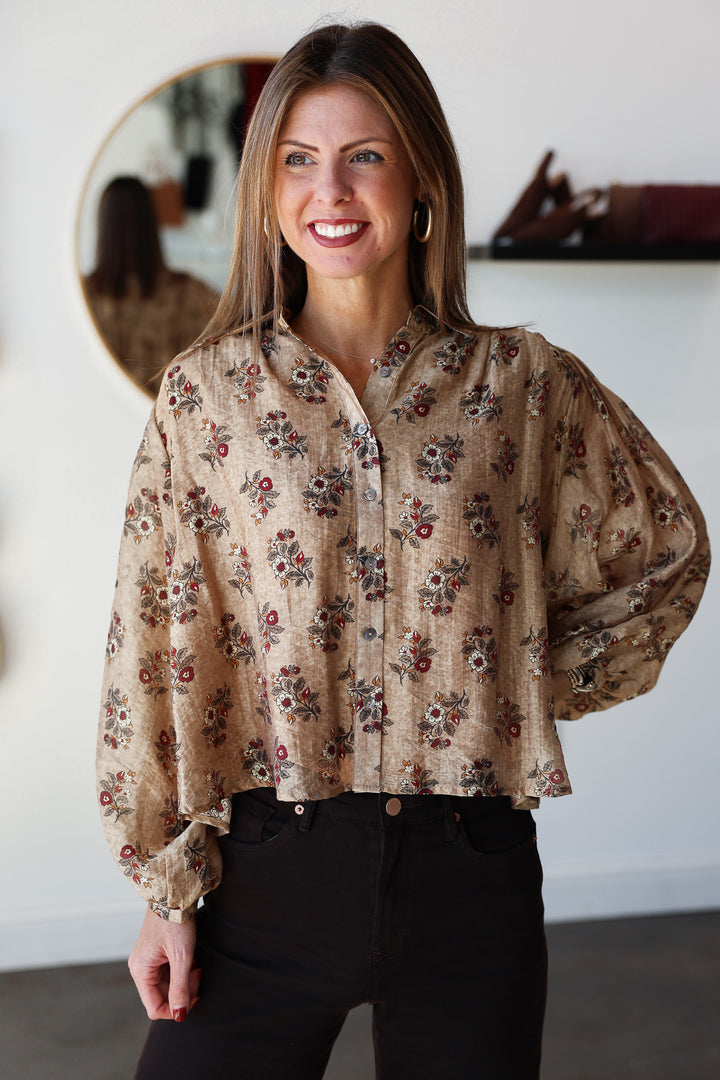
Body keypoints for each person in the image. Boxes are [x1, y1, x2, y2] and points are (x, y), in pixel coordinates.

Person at [96, 23, 709, 1080]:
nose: (329, 189)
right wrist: (165, 891)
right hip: (264, 877)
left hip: (471, 881)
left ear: (420, 175)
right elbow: (154, 649)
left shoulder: (522, 384)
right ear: (265, 188)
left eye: (364, 154)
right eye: (298, 159)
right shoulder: (205, 399)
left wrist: (516, 679)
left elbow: (667, 552)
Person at [84, 176, 218, 395]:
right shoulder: (190, 292)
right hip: (171, 421)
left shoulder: (83, 297)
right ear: (151, 222)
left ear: (103, 225)